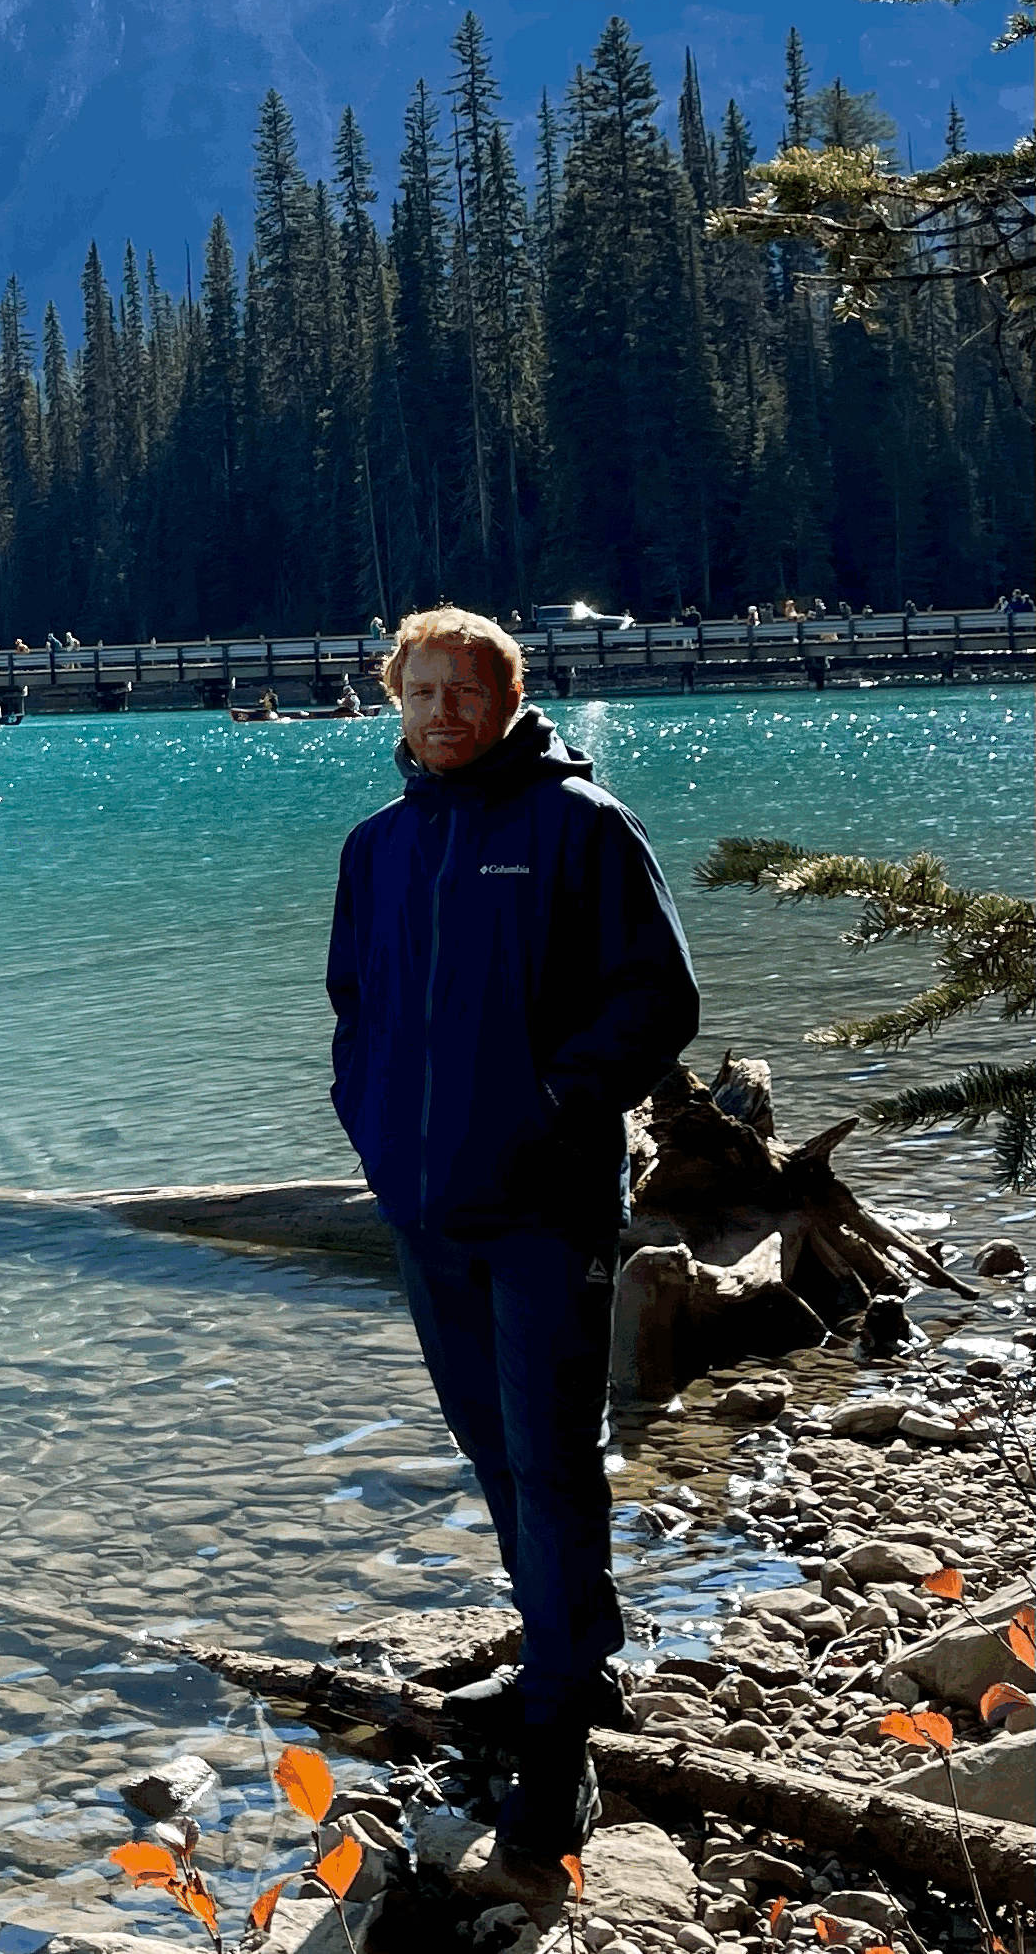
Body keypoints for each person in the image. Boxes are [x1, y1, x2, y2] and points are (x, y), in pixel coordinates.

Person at [325, 606, 699, 1883]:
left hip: (542, 1209)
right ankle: (562, 1659)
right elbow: (352, 1010)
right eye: (420, 690)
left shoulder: (576, 828)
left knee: (549, 1458)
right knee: (488, 1444)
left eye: (464, 691)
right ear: (395, 700)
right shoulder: (378, 846)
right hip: (424, 1209)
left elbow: (656, 998)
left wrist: (551, 1109)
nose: (442, 712)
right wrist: (373, 1133)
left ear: (506, 697)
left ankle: (557, 1730)